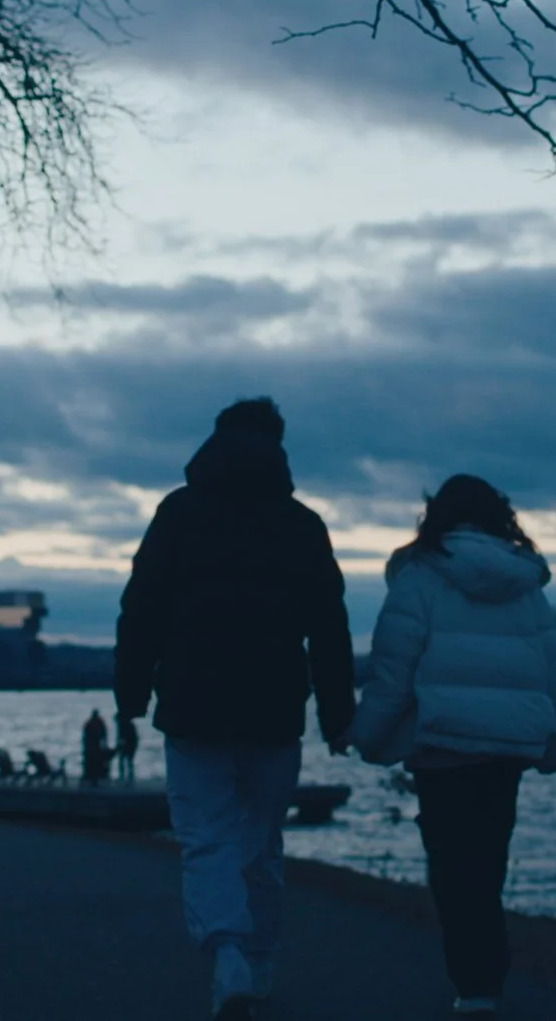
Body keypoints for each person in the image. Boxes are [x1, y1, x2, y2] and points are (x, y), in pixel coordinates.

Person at [115, 397, 355, 1021]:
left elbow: (141, 607)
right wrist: (337, 714)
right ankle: (260, 957)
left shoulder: (178, 512)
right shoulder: (302, 524)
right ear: (278, 447)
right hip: (274, 707)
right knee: (262, 840)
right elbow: (329, 627)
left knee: (206, 838)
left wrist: (130, 693)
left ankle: (227, 954)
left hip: (192, 704)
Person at [347, 474, 556, 1019]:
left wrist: (367, 736)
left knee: (453, 866)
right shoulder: (525, 583)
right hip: (507, 746)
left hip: (444, 744)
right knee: (488, 861)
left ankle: (474, 985)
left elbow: (393, 671)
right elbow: (551, 673)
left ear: (436, 516)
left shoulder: (419, 576)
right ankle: (485, 979)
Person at [80, 708, 111, 788]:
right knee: (92, 763)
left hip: (94, 746)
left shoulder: (95, 723)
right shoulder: (93, 723)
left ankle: (94, 778)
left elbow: (103, 734)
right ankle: (92, 778)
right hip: (92, 746)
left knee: (95, 763)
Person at [115, 709, 141, 785]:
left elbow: (126, 738)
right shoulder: (125, 725)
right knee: (127, 762)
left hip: (129, 746)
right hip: (129, 746)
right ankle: (127, 777)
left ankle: (127, 777)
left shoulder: (124, 726)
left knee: (126, 761)